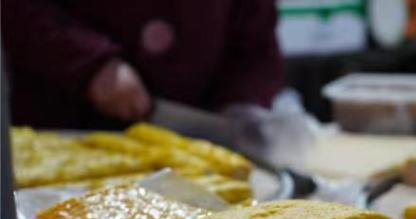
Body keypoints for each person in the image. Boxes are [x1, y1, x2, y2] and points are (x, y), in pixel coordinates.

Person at [1, 0, 283, 128]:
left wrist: (243, 101)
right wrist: (89, 63)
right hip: (58, 130)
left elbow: (256, 40)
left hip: (195, 141)